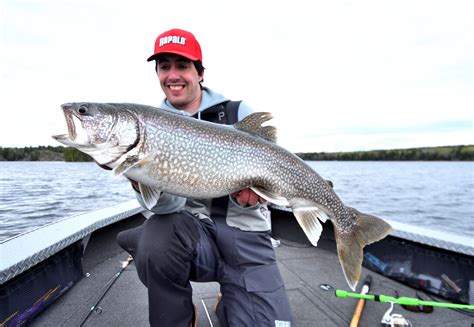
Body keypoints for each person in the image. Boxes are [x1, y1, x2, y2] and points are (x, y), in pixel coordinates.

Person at [117, 28, 292, 327]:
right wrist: (141, 179)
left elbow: (277, 168)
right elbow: (165, 210)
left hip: (246, 238)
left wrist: (257, 197)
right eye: (164, 66)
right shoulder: (149, 126)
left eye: (182, 65)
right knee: (155, 237)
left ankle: (236, 297)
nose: (172, 75)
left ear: (200, 72)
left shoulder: (238, 112)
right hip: (195, 240)